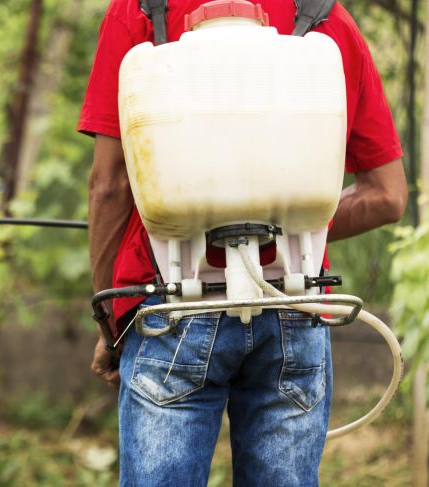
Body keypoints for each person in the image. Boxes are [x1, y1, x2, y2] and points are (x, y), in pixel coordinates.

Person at [78, 0, 408, 485]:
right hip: (294, 303)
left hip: (170, 306)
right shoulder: (324, 16)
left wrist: (109, 320)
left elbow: (111, 186)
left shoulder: (142, 11)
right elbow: (387, 195)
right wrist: (280, 226)